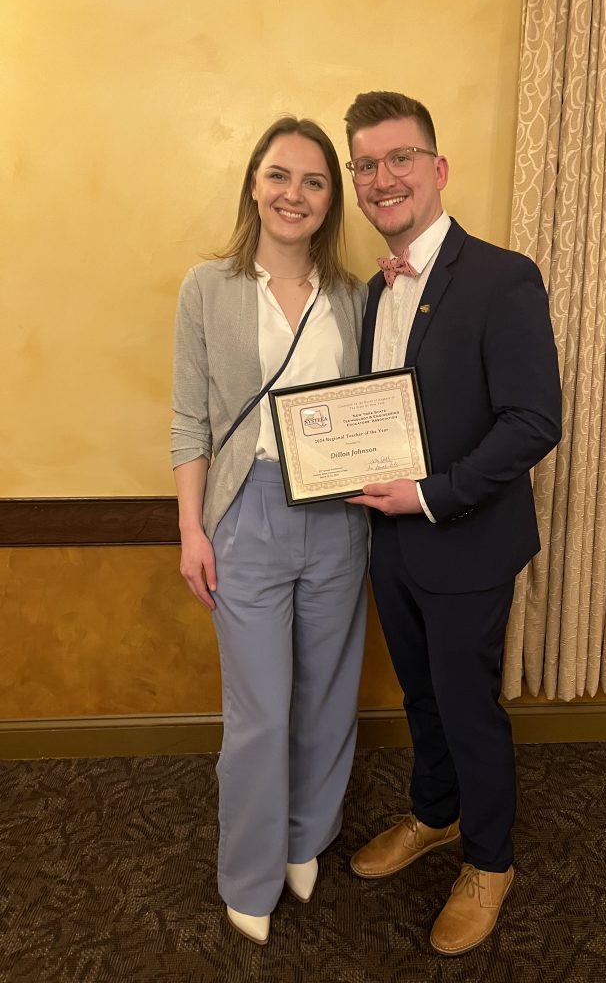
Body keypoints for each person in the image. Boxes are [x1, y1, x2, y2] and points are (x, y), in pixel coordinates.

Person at [343, 91, 562, 955]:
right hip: (387, 542)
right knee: (421, 693)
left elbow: (533, 421)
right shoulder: (370, 293)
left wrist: (431, 495)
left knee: (469, 704)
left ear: (437, 171)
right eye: (367, 164)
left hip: (464, 538)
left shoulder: (503, 276)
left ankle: (490, 860)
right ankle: (434, 815)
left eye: (400, 159)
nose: (382, 177)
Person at [171, 117, 368, 946]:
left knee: (326, 695)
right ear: (254, 183)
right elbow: (191, 422)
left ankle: (303, 837)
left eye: (315, 181)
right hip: (245, 513)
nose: (296, 194)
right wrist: (191, 530)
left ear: (330, 201)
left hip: (339, 517)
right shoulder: (208, 287)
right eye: (281, 175)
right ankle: (248, 870)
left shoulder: (357, 295)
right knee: (258, 712)